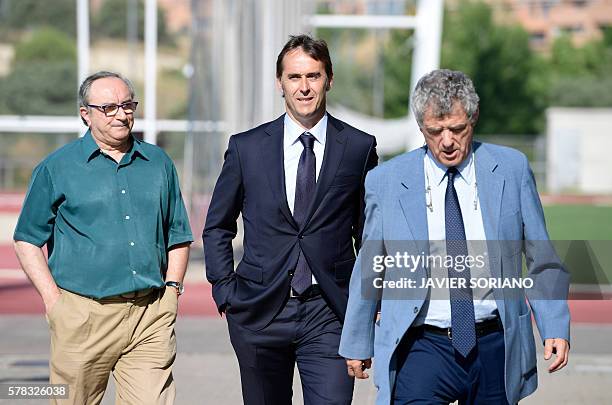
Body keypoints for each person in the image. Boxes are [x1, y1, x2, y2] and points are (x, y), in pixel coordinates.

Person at [339, 69, 570, 405]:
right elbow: (370, 266)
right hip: (420, 347)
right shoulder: (386, 181)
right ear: (421, 128)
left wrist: (554, 324)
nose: (447, 141)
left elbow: (541, 258)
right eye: (435, 131)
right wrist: (358, 342)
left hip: (494, 343)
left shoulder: (512, 169)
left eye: (457, 129)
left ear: (473, 120)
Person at [203, 34, 378, 405]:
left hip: (330, 311)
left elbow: (370, 235)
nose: (304, 88)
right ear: (280, 83)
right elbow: (218, 225)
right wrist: (225, 290)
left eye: (313, 76)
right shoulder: (246, 147)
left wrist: (370, 303)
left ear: (329, 79)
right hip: (258, 310)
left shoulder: (359, 148)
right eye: (294, 78)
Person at [13, 71, 193, 405]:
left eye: (127, 105)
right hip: (82, 317)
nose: (122, 114)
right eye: (109, 107)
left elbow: (178, 234)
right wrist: (54, 303)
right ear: (86, 114)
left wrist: (171, 292)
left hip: (149, 315)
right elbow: (26, 239)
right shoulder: (56, 168)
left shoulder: (158, 163)